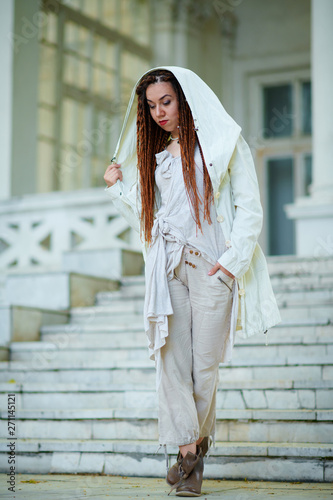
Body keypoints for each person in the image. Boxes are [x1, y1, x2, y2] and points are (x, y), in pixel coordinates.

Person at [103, 66, 281, 497]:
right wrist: (118, 189)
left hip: (211, 268)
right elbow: (149, 219)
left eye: (166, 101)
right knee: (172, 358)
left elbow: (249, 208)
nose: (159, 112)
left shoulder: (224, 144)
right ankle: (189, 456)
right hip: (168, 266)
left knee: (204, 367)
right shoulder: (159, 155)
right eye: (151, 106)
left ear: (183, 98)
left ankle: (191, 453)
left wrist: (230, 263)